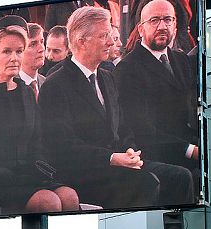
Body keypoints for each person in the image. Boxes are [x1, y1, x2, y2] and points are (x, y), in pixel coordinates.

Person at [38, 5, 193, 210]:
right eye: (104, 36)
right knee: (147, 182)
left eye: (110, 35)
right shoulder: (56, 84)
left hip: (119, 161)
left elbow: (123, 127)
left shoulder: (107, 77)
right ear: (81, 41)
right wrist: (112, 158)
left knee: (180, 177)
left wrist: (129, 150)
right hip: (83, 171)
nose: (111, 42)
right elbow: (63, 146)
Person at [0, 15, 80, 215]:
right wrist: (11, 176)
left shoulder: (25, 91)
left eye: (19, 51)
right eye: (6, 51)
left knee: (70, 196)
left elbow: (38, 144)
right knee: (48, 202)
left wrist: (40, 171)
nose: (14, 58)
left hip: (26, 178)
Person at [113, 0, 201, 193]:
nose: (162, 26)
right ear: (141, 29)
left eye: (168, 20)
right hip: (158, 154)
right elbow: (142, 129)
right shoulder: (127, 69)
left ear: (176, 25)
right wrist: (190, 150)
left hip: (190, 150)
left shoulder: (182, 61)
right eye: (154, 20)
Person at [19, 23, 46, 100]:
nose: (41, 49)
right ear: (20, 51)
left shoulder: (46, 83)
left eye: (42, 42)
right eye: (33, 44)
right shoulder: (10, 86)